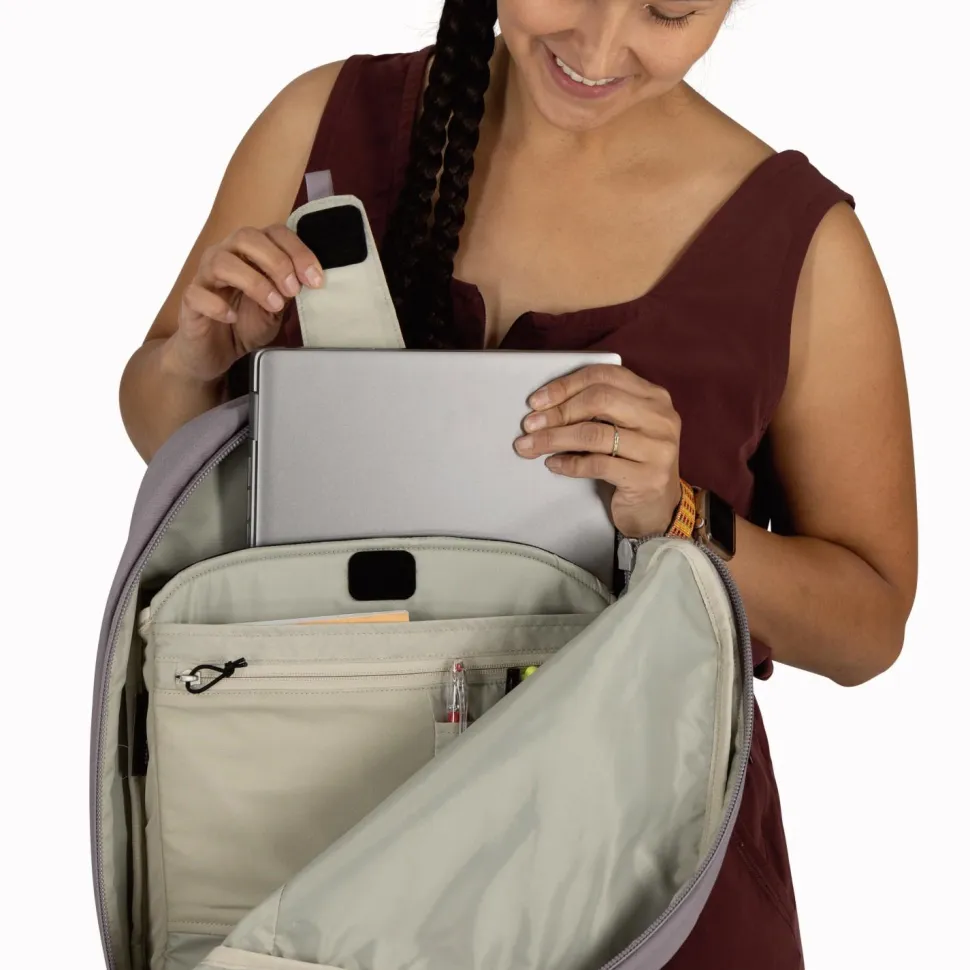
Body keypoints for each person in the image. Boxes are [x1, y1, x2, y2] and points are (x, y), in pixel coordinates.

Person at [118, 1, 918, 965]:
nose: (600, 46)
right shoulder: (320, 123)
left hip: (645, 886)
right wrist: (194, 359)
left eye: (669, 10)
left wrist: (680, 515)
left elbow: (869, 626)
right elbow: (166, 433)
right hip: (313, 867)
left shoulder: (807, 249)